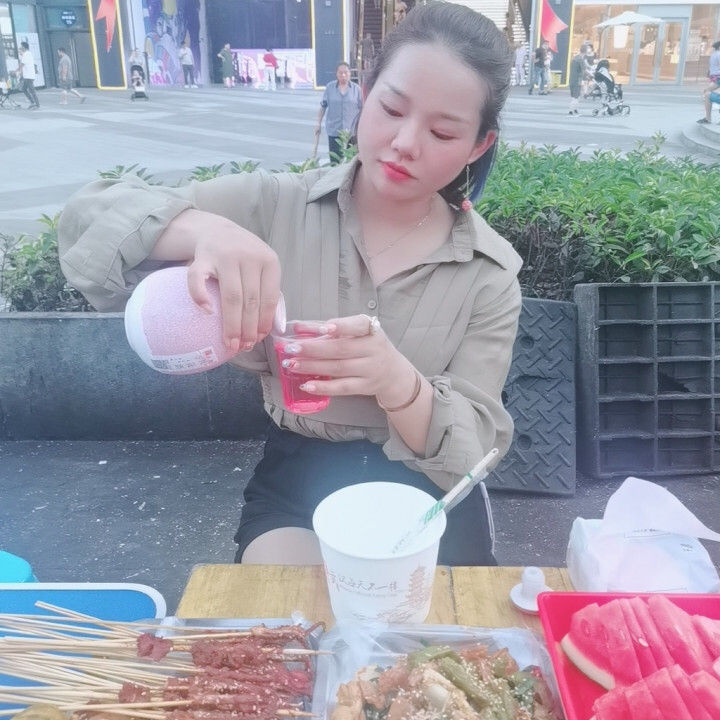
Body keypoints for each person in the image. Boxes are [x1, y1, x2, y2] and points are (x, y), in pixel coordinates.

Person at [57, 2, 520, 568]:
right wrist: (200, 230)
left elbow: (472, 452)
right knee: (289, 612)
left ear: (478, 145)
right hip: (303, 477)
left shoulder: (489, 270)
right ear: (364, 92)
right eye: (392, 108)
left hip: (429, 495)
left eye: (442, 131)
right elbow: (83, 221)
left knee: (428, 620)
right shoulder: (274, 205)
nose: (406, 141)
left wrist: (399, 383)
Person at [315, 61, 363, 164]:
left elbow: (363, 109)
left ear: (350, 73)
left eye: (346, 72)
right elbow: (323, 107)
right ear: (336, 74)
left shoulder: (357, 89)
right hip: (334, 130)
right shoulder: (330, 88)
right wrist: (318, 124)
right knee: (335, 161)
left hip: (351, 132)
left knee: (352, 161)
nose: (343, 75)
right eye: (340, 73)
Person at [697, 40, 720, 124]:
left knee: (706, 92)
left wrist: (710, 73)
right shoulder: (717, 54)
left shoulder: (715, 54)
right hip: (716, 76)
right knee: (706, 93)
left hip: (717, 77)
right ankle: (708, 117)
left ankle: (708, 118)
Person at [18, 41, 39, 110]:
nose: (21, 48)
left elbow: (22, 64)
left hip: (29, 76)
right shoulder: (28, 54)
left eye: (21, 47)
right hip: (27, 76)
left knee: (32, 90)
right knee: (23, 89)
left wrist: (16, 70)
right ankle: (32, 102)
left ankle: (37, 104)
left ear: (23, 47)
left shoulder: (26, 54)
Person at [568, 47, 585, 116]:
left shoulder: (574, 58)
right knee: (576, 96)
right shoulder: (580, 59)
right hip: (577, 80)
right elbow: (584, 70)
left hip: (572, 79)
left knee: (573, 96)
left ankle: (575, 109)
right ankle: (571, 110)